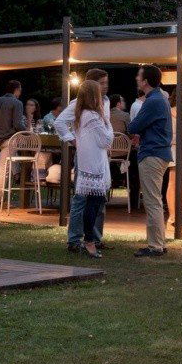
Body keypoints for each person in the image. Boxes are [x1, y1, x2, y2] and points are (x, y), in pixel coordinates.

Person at [54, 69, 112, 251]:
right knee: (81, 197)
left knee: (100, 197)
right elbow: (59, 122)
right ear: (92, 85)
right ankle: (74, 239)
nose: (105, 86)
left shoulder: (106, 102)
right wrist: (73, 140)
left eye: (106, 82)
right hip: (86, 156)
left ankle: (94, 237)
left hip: (100, 154)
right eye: (102, 83)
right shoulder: (79, 104)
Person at [127, 64, 172, 257]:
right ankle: (159, 242)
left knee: (152, 201)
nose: (137, 79)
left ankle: (155, 246)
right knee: (155, 200)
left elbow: (133, 126)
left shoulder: (152, 101)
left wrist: (138, 130)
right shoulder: (161, 99)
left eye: (139, 76)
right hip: (160, 153)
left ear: (145, 81)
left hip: (152, 153)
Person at [71, 79, 114, 258]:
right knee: (93, 203)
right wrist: (108, 122)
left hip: (89, 162)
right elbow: (106, 140)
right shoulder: (93, 116)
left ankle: (88, 239)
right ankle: (89, 240)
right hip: (94, 164)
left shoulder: (81, 113)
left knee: (92, 203)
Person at [0, 80, 27, 205]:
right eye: (20, 90)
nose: (20, 92)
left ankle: (17, 173)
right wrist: (27, 132)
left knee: (8, 162)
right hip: (9, 138)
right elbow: (17, 124)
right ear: (17, 90)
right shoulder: (17, 103)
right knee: (4, 168)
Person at [164, 90, 182, 228]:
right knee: (173, 182)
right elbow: (167, 133)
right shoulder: (172, 112)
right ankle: (172, 217)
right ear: (177, 97)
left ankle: (181, 214)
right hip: (175, 149)